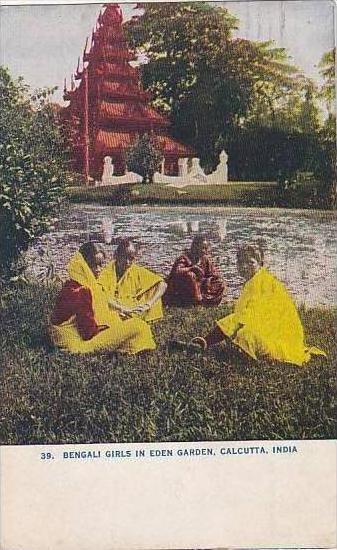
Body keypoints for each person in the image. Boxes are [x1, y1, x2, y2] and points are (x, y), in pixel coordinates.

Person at [190, 243, 326, 367]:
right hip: (273, 330)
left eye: (250, 262)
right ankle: (206, 343)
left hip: (282, 338)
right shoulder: (256, 280)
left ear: (260, 263)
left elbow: (245, 316)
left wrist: (212, 337)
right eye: (240, 263)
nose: (244, 267)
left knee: (245, 334)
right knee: (241, 332)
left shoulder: (263, 283)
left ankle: (207, 345)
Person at [50, 242, 156, 354]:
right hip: (76, 347)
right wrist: (108, 329)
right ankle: (135, 349)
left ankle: (129, 347)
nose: (99, 270)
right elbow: (88, 333)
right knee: (138, 325)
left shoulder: (72, 283)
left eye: (101, 265)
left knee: (115, 318)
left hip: (59, 340)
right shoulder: (82, 291)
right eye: (94, 265)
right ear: (83, 265)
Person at [98, 238, 167, 323]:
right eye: (124, 257)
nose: (127, 262)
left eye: (131, 259)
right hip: (114, 305)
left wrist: (149, 304)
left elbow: (163, 284)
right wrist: (122, 309)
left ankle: (129, 315)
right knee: (102, 305)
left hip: (131, 303)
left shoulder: (134, 269)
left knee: (154, 293)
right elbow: (102, 296)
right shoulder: (106, 272)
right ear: (116, 255)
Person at [164, 234, 226, 307]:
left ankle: (209, 303)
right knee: (190, 275)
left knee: (220, 282)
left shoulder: (205, 259)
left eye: (206, 248)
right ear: (195, 247)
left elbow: (214, 274)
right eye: (203, 248)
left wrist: (209, 280)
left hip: (200, 287)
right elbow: (177, 271)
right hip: (183, 290)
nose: (205, 251)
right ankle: (197, 303)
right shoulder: (184, 257)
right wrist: (192, 268)